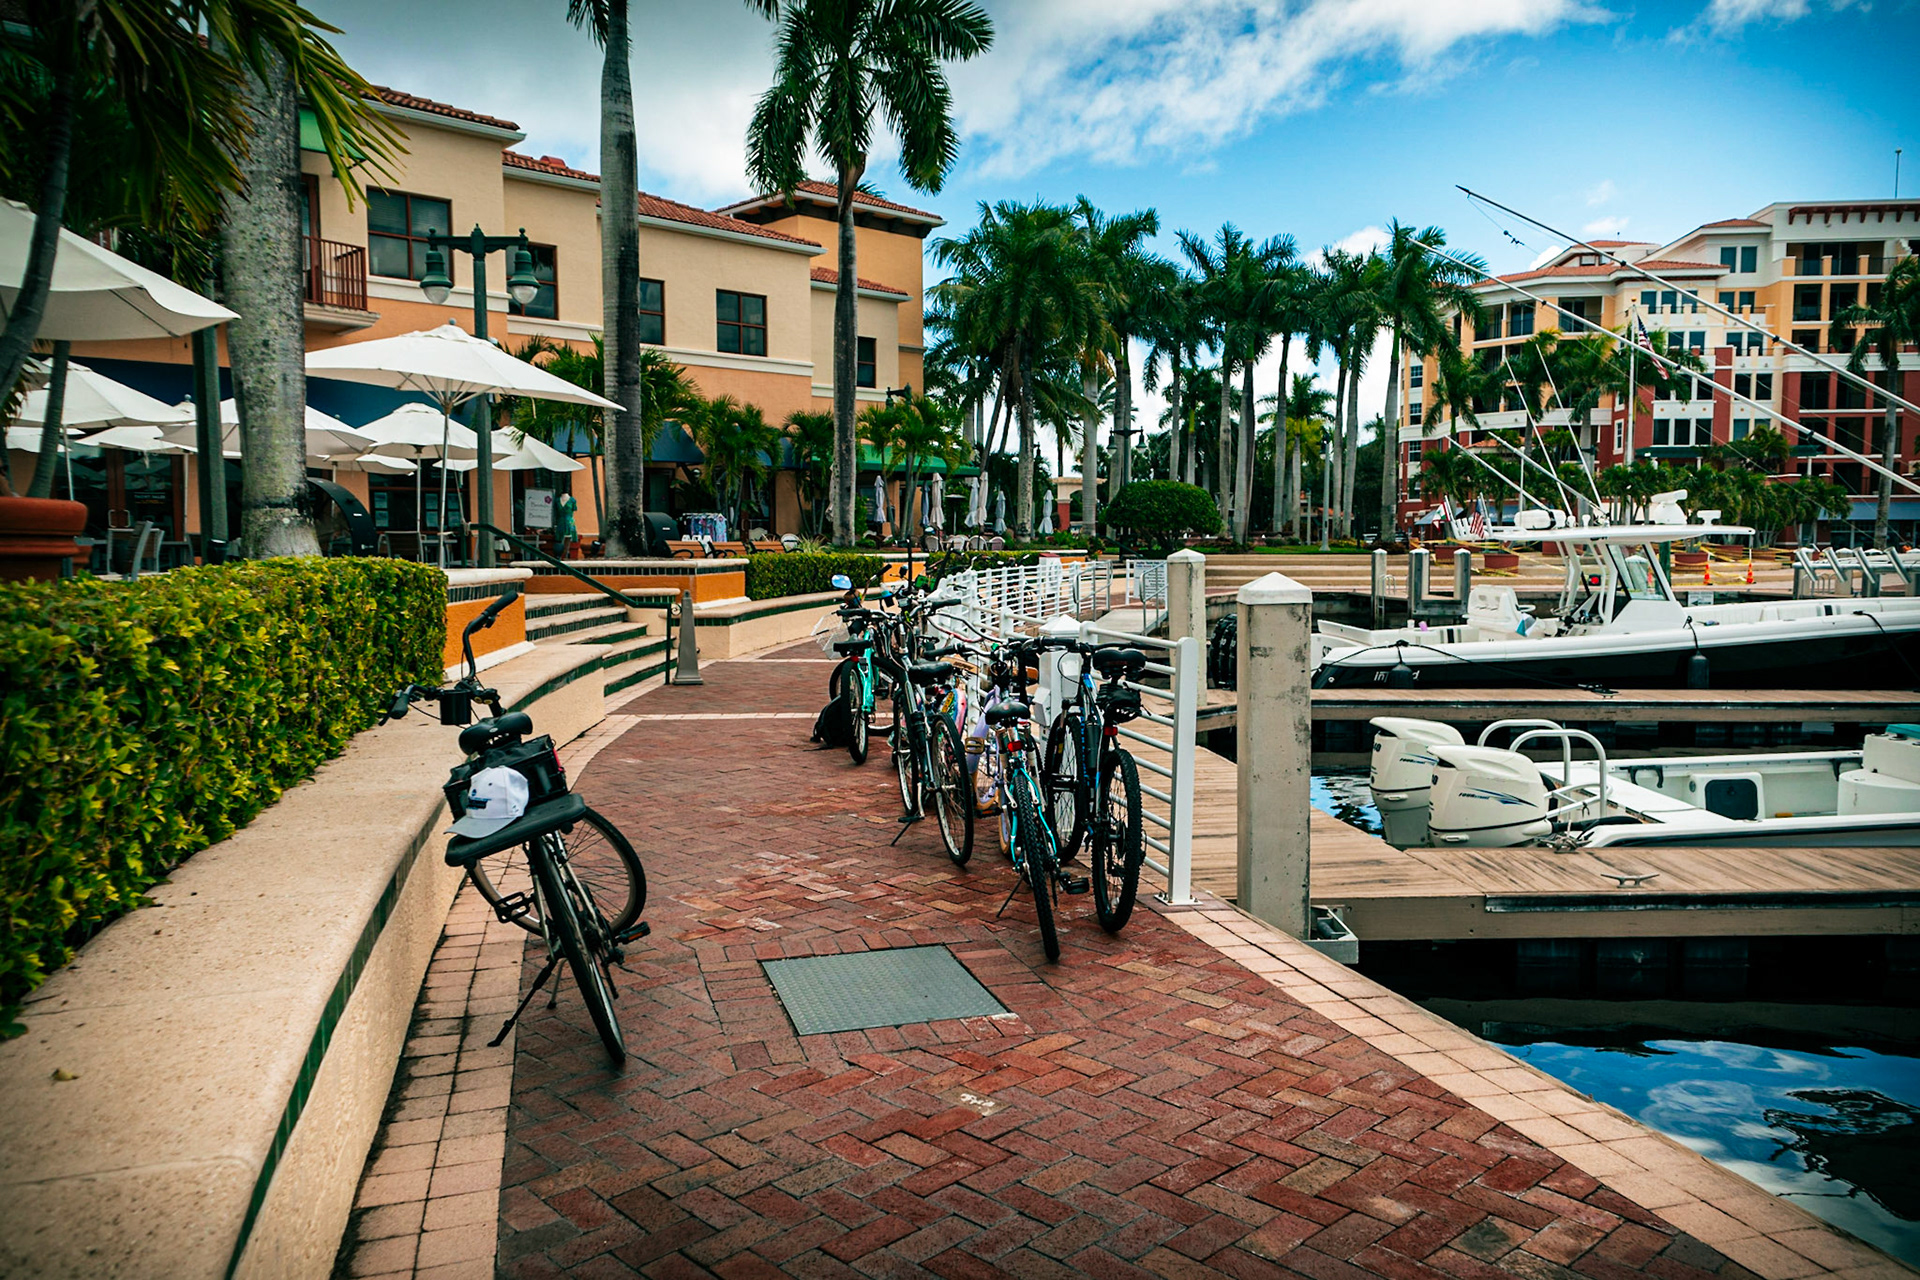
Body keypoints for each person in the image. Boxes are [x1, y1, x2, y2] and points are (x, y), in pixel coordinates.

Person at [556, 492, 580, 558]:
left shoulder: (572, 500)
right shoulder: (557, 500)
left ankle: (567, 553)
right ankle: (560, 554)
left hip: (569, 521)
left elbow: (574, 509)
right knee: (560, 538)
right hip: (560, 521)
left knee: (569, 537)